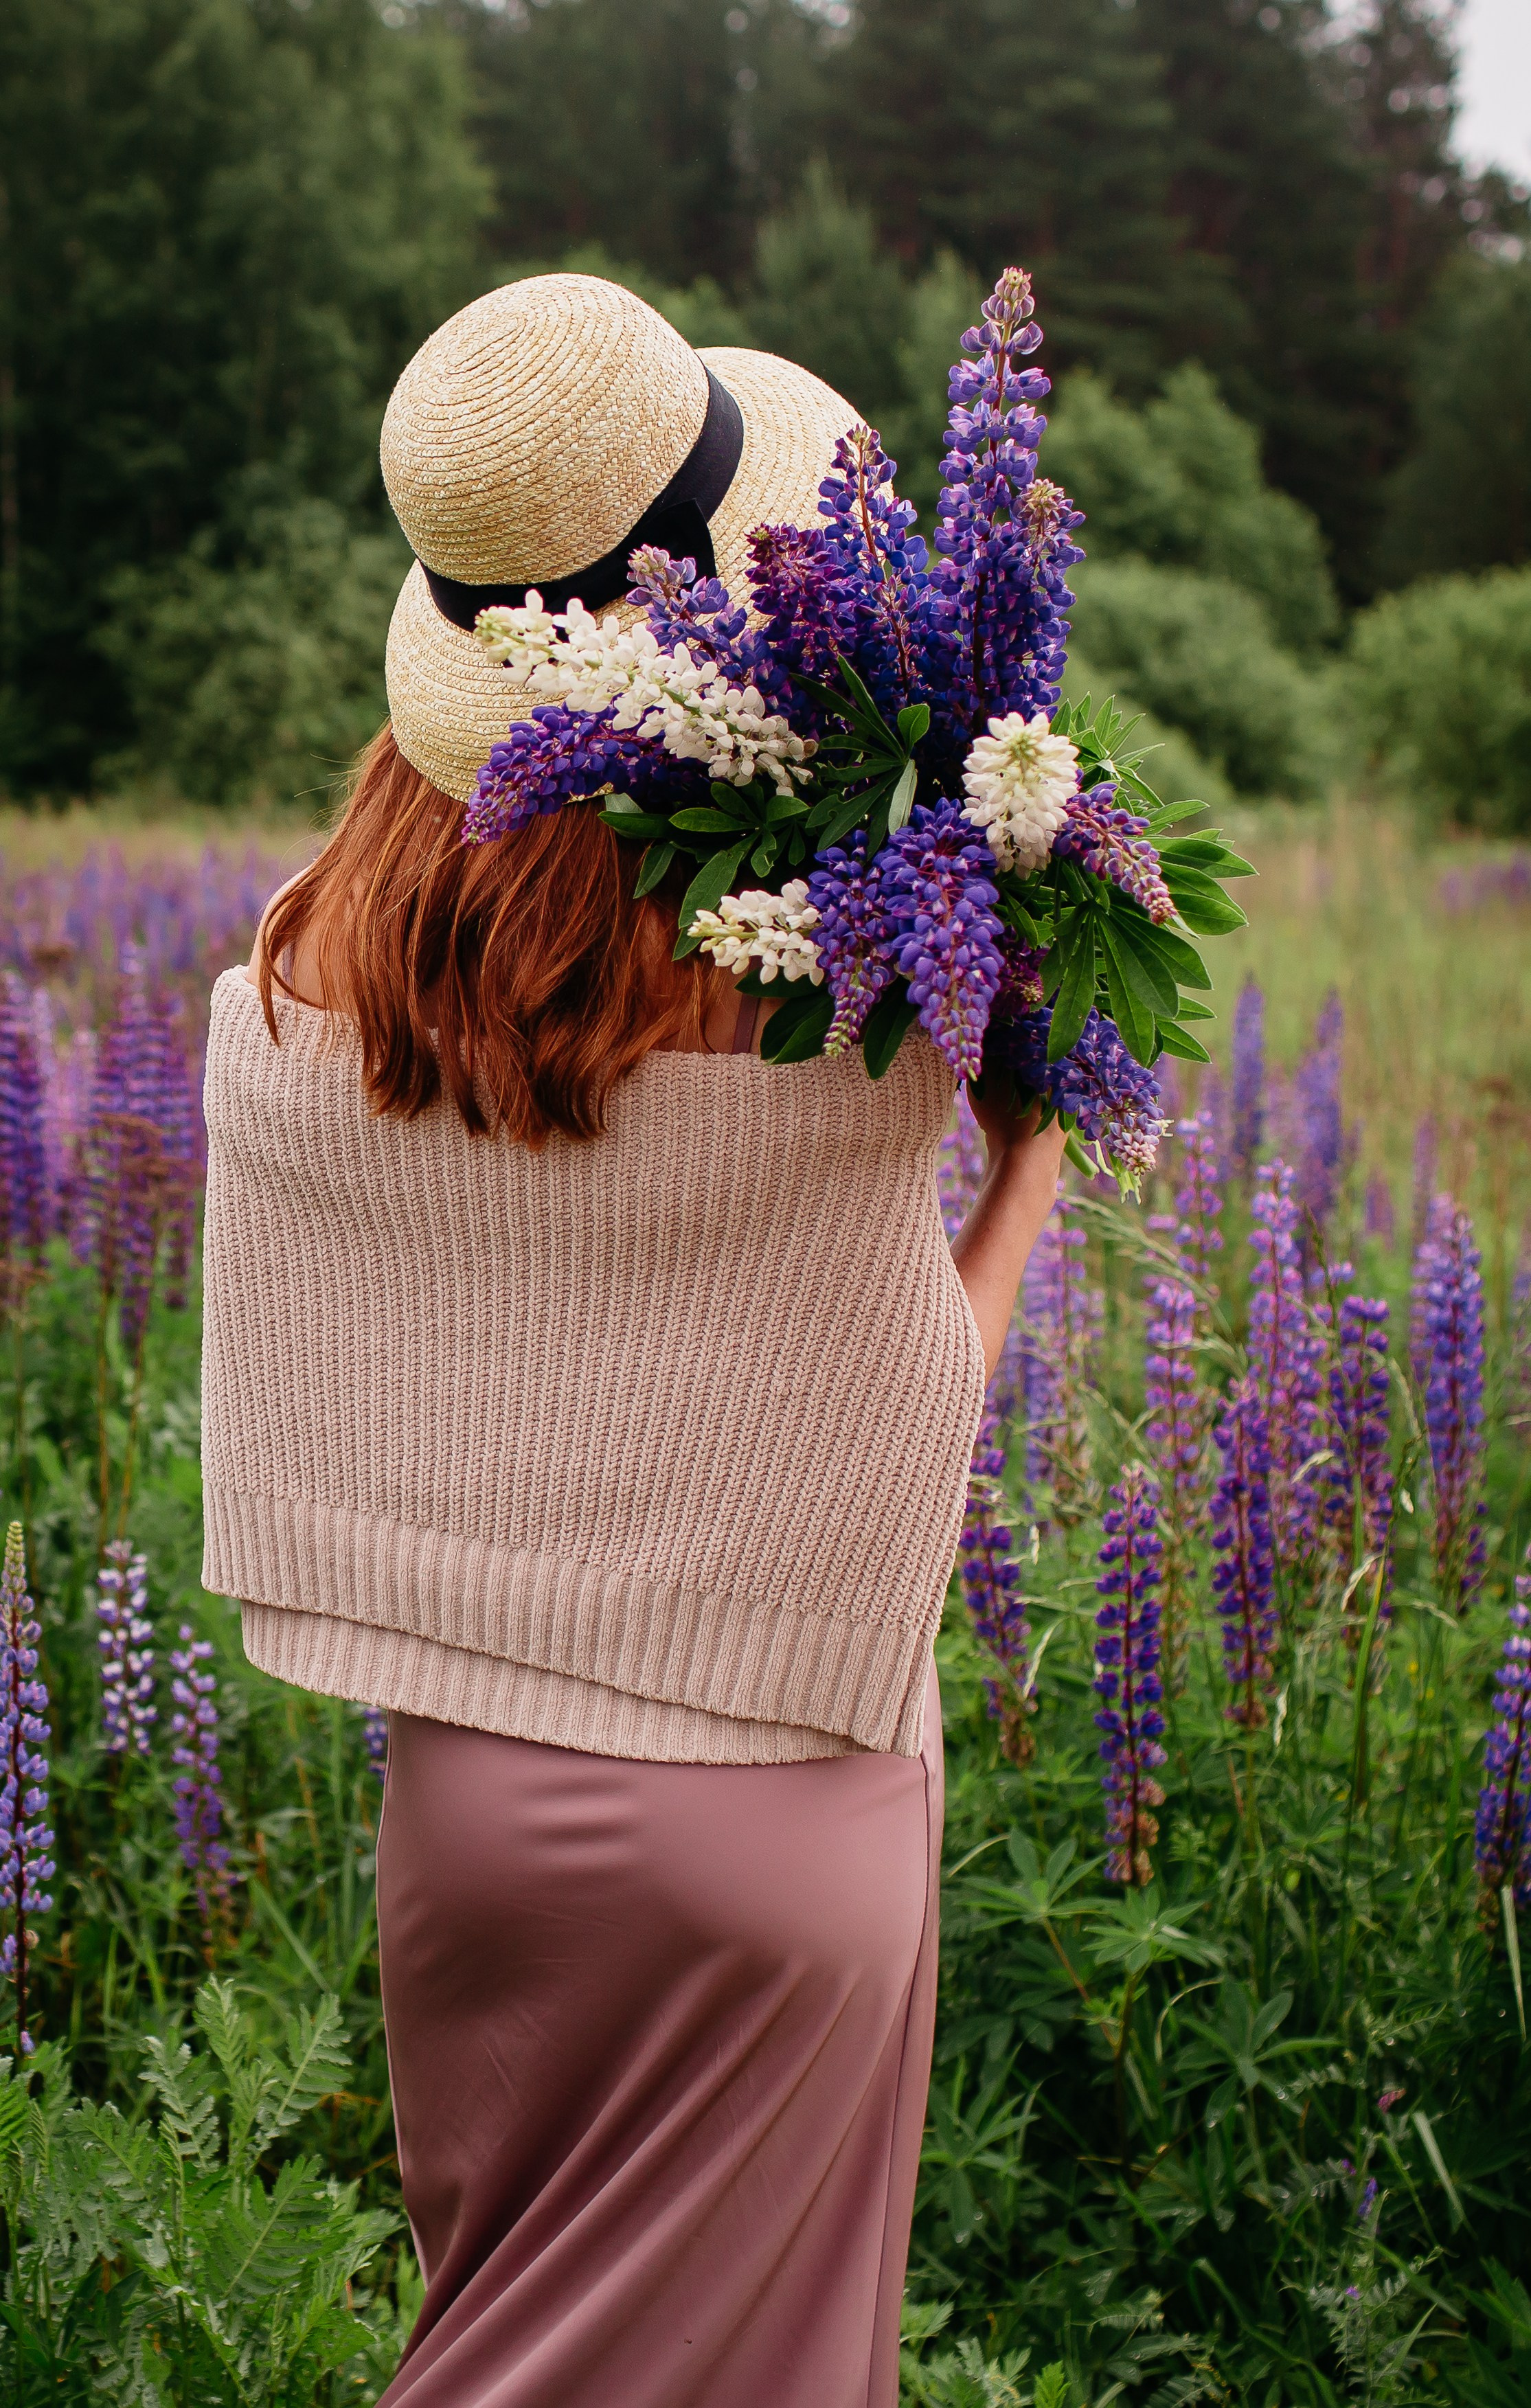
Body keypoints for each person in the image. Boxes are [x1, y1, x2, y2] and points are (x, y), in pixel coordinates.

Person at [201, 274, 1065, 2408]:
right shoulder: (817, 1005)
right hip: (787, 1805)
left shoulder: (322, 986)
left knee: (499, 2344)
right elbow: (904, 1422)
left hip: (476, 1816)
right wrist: (1027, 1147)